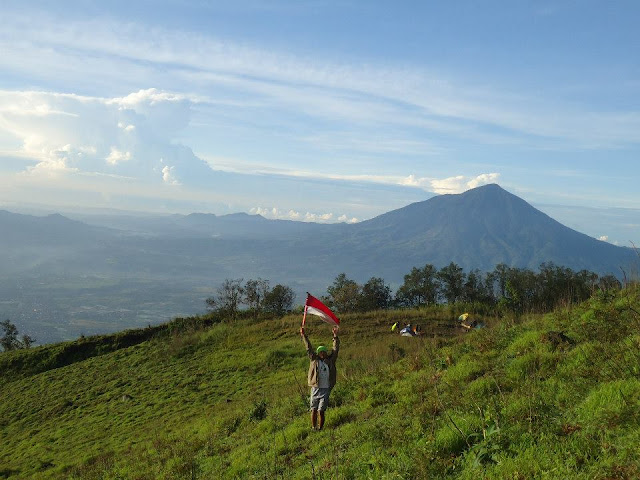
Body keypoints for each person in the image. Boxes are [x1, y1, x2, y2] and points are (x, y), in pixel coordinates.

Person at [300, 325, 339, 431]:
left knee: (321, 411)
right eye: (320, 352)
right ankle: (314, 427)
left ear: (326, 353)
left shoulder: (330, 360)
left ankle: (320, 428)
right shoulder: (314, 360)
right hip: (315, 389)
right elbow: (309, 348)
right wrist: (304, 336)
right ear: (318, 353)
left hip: (325, 389)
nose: (322, 353)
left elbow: (335, 349)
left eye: (324, 352)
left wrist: (335, 336)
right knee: (313, 410)